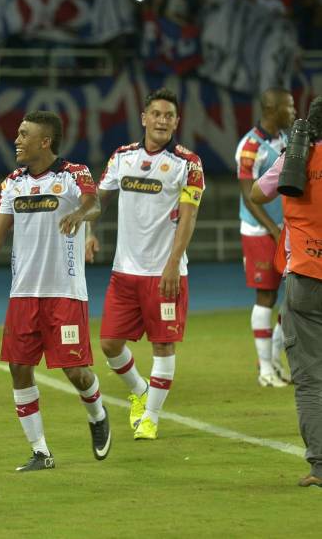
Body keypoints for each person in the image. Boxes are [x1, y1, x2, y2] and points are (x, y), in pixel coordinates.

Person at [0, 111, 110, 471]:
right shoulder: (12, 184)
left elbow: (94, 202)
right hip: (23, 294)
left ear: (45, 141)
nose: (17, 140)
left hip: (65, 293)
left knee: (76, 372)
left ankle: (98, 413)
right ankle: (40, 451)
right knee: (19, 369)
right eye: (17, 134)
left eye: (24, 134)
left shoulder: (74, 174)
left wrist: (80, 217)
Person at [86, 88, 205, 441]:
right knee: (109, 343)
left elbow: (188, 218)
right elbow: (98, 200)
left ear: (176, 122)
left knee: (163, 346)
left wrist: (172, 264)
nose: (162, 120)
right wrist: (89, 231)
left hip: (164, 272)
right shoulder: (122, 158)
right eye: (156, 114)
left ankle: (150, 416)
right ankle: (139, 391)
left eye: (169, 115)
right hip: (124, 272)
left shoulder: (188, 163)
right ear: (144, 118)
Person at [251, 96, 322, 488]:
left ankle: (320, 467)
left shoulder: (296, 158)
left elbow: (257, 195)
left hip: (307, 277)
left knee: (311, 381)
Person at [235, 88, 295, 388]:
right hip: (259, 231)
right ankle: (265, 372)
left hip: (286, 230)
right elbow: (249, 197)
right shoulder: (249, 146)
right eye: (290, 106)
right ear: (272, 109)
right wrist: (273, 229)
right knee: (266, 296)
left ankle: (273, 361)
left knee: (295, 297)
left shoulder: (284, 139)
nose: (294, 111)